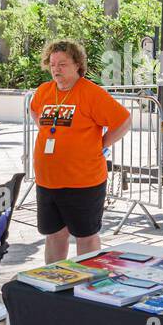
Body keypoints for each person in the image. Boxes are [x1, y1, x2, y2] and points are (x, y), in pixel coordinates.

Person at [30, 39, 132, 264]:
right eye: (53, 63)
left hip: (83, 181)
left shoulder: (91, 93)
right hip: (47, 181)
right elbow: (34, 111)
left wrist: (102, 143)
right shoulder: (44, 91)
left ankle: (87, 285)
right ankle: (55, 279)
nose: (56, 69)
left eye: (63, 64)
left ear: (77, 64)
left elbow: (124, 120)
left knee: (85, 236)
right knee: (55, 234)